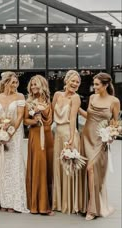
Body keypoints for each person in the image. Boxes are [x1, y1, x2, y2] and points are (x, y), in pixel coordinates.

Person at [80, 73, 120, 220]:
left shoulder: (114, 101)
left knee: (92, 169)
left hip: (100, 140)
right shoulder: (92, 98)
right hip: (86, 136)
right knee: (88, 171)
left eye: (97, 84)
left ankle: (92, 209)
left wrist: (111, 135)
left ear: (105, 85)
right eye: (94, 84)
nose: (94, 87)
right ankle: (87, 204)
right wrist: (76, 108)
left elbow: (115, 123)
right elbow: (89, 117)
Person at [0, 71, 29, 213]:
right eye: (12, 82)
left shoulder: (20, 96)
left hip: (15, 134)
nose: (15, 85)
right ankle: (5, 201)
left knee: (15, 165)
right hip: (1, 134)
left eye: (16, 82)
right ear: (5, 83)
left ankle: (16, 202)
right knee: (3, 165)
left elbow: (20, 117)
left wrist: (10, 133)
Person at [52, 70, 87, 214]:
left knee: (69, 167)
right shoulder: (57, 95)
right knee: (58, 166)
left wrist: (72, 138)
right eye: (72, 81)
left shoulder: (76, 98)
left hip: (68, 134)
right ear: (66, 81)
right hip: (57, 135)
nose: (75, 84)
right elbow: (50, 110)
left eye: (77, 82)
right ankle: (58, 202)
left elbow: (73, 119)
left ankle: (70, 202)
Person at [24, 75, 54, 215]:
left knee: (48, 167)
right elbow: (25, 121)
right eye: (31, 85)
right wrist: (35, 119)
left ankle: (50, 201)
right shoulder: (29, 102)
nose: (33, 87)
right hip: (36, 135)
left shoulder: (49, 100)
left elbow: (51, 120)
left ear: (42, 85)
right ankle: (39, 205)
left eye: (36, 84)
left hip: (48, 137)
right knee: (39, 167)